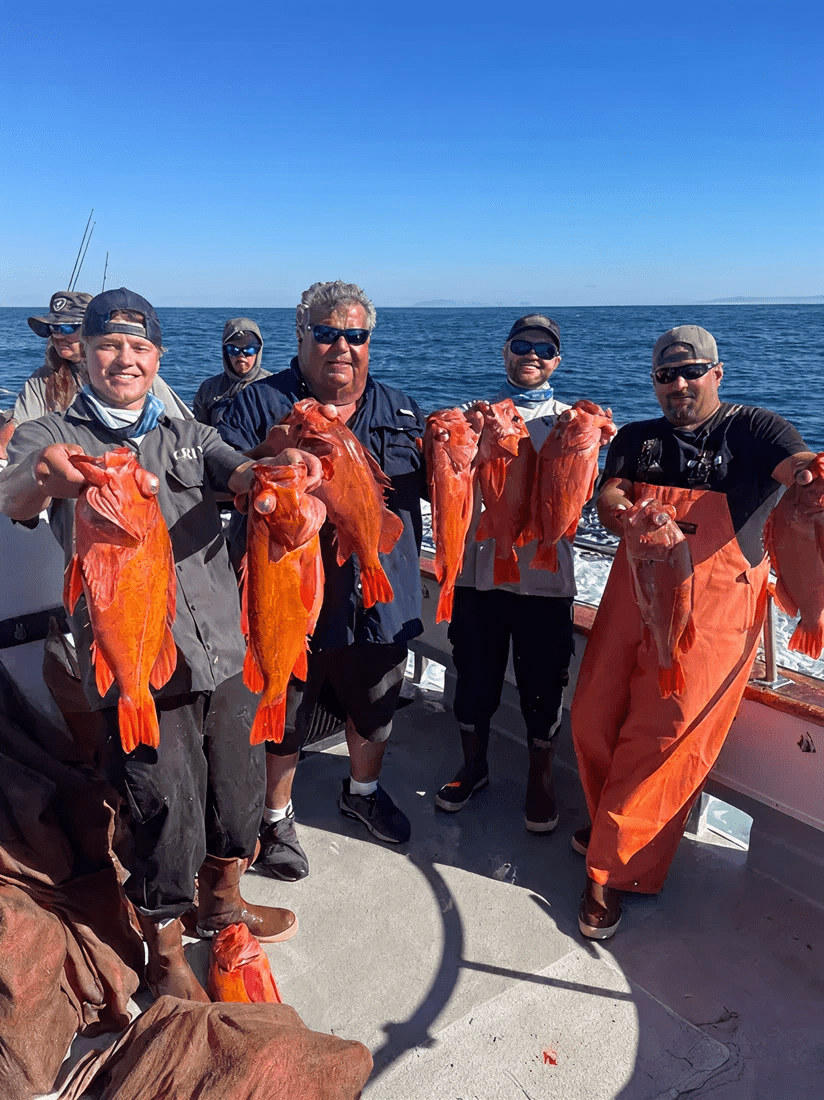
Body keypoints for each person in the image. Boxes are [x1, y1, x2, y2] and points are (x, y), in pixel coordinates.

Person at [0, 287, 312, 1002]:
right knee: (161, 804)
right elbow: (17, 493)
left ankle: (225, 905)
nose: (125, 359)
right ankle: (166, 945)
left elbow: (238, 471)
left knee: (237, 792)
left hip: (227, 651)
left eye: (140, 348)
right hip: (134, 661)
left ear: (158, 357)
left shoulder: (187, 432)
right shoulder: (47, 433)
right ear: (80, 351)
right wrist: (43, 478)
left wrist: (281, 475)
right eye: (109, 345)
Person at [570, 324, 815, 940]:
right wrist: (618, 508)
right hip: (634, 590)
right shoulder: (636, 438)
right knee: (593, 714)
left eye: (691, 371)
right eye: (665, 375)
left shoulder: (758, 431)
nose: (678, 384)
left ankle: (612, 870)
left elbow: (801, 471)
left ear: (717, 373)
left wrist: (815, 475)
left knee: (666, 735)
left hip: (717, 611)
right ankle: (609, 823)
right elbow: (611, 491)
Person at [219, 280, 426, 879]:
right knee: (282, 706)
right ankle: (276, 816)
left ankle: (360, 795)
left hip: (378, 590)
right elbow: (216, 475)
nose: (342, 346)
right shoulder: (258, 402)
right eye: (328, 333)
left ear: (369, 342)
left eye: (355, 335)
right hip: (288, 586)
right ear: (302, 335)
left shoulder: (403, 408)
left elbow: (437, 488)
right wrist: (269, 451)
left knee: (377, 704)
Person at [434, 314, 575, 834]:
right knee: (473, 680)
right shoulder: (473, 420)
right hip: (481, 578)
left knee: (544, 685)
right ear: (505, 353)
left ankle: (541, 779)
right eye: (522, 345)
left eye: (544, 348)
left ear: (556, 361)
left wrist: (596, 442)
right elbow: (447, 485)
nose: (532, 354)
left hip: (545, 582)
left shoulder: (570, 422)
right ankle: (474, 767)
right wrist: (456, 436)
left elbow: (590, 489)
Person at [10, 289, 192, 428]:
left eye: (68, 328)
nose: (58, 337)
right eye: (53, 329)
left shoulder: (132, 375)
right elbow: (21, 426)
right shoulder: (42, 379)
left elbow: (181, 428)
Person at [193, 317, 271, 426]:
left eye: (249, 349)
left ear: (258, 351)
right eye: (233, 349)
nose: (241, 355)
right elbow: (197, 429)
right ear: (225, 352)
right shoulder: (208, 389)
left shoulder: (273, 387)